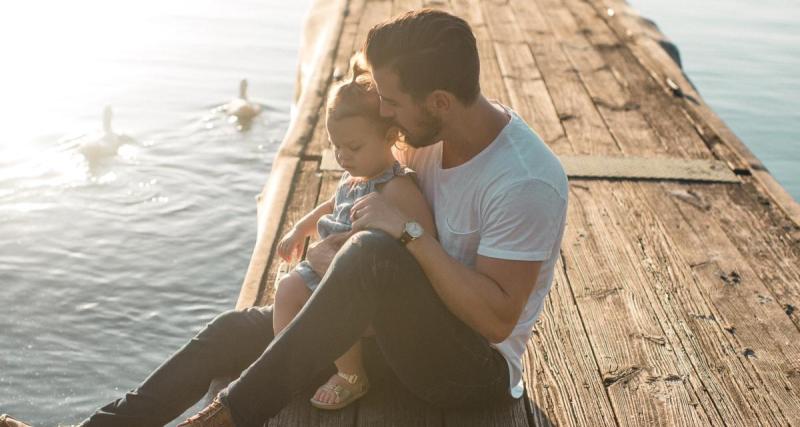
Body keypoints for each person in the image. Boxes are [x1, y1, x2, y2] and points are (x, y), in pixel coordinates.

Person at [3, 8, 568, 427]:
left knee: (370, 255)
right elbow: (363, 189)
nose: (384, 113)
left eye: (392, 102)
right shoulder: (426, 135)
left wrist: (409, 236)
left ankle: (227, 418)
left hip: (465, 369)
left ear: (440, 101)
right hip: (388, 330)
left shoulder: (524, 181)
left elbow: (495, 321)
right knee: (234, 330)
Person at [271, 59, 435, 411]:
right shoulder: (355, 176)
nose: (343, 157)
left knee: (331, 305)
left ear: (391, 136)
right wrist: (302, 228)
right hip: (326, 263)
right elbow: (330, 206)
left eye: (354, 147)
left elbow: (425, 239)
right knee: (286, 291)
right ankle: (289, 364)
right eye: (336, 147)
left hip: (360, 282)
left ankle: (352, 374)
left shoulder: (396, 186)